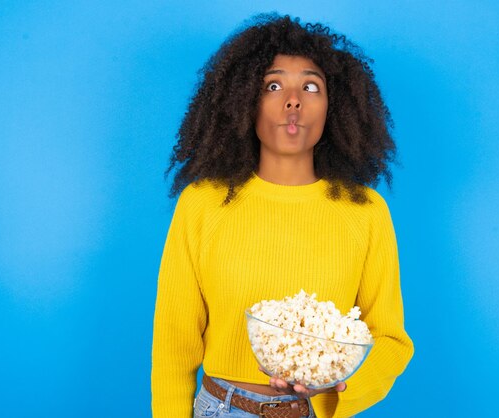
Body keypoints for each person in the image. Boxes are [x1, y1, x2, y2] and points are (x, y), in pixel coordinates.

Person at [152, 14, 414, 418]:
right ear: (243, 102)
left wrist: (339, 390)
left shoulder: (365, 212)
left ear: (335, 106)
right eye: (273, 85)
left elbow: (391, 340)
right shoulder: (202, 203)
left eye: (311, 86)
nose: (293, 100)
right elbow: (174, 343)